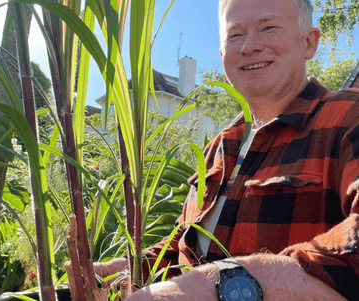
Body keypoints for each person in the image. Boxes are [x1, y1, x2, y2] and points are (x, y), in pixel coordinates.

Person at [74, 0, 359, 299]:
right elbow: (181, 247)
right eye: (235, 35)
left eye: (268, 27)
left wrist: (240, 284)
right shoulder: (217, 148)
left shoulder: (347, 117)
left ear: (309, 42)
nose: (250, 46)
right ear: (223, 54)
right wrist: (125, 269)